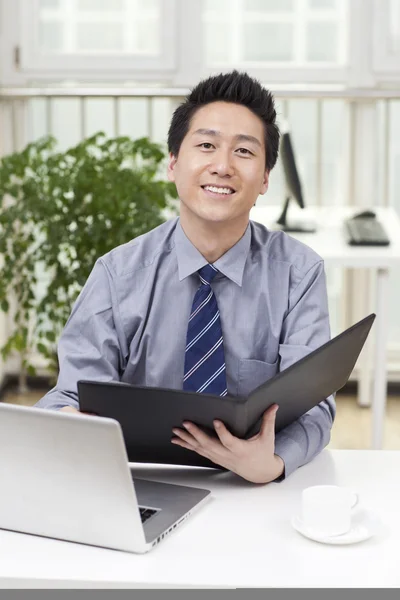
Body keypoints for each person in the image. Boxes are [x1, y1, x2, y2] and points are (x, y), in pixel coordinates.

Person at [35, 70, 335, 484]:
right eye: (206, 145)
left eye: (244, 152)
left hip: (256, 487)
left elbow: (315, 406)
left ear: (265, 177)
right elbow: (70, 396)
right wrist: (69, 424)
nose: (223, 166)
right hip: (142, 481)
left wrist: (274, 463)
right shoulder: (116, 275)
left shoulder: (299, 274)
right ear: (173, 164)